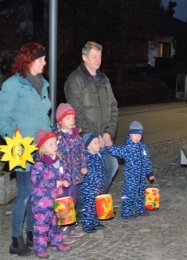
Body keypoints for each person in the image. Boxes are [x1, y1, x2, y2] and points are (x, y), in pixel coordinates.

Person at [0, 42, 51, 256]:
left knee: (38, 193)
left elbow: (44, 117)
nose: (44, 62)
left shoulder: (43, 83)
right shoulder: (13, 85)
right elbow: (3, 117)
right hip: (21, 148)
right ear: (30, 60)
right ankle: (15, 240)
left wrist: (51, 140)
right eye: (41, 59)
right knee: (25, 194)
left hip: (41, 147)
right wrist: (13, 136)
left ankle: (32, 233)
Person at [64, 41, 119, 194]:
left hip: (104, 136)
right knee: (88, 174)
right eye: (94, 57)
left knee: (111, 166)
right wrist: (95, 136)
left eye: (99, 56)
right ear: (84, 58)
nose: (98, 60)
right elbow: (76, 111)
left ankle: (97, 200)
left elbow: (113, 106)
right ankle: (86, 205)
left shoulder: (104, 79)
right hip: (85, 137)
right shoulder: (75, 79)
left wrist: (109, 133)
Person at [31, 130, 71, 258]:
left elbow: (66, 172)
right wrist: (55, 183)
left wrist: (66, 180)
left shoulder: (58, 160)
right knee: (42, 226)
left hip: (57, 199)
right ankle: (40, 248)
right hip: (42, 202)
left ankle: (57, 243)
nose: (55, 146)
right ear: (42, 147)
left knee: (56, 223)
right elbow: (37, 181)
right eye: (51, 144)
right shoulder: (39, 164)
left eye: (55, 143)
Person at [104, 121, 154, 220]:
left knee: (140, 193)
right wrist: (109, 146)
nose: (137, 136)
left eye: (139, 134)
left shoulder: (143, 148)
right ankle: (126, 213)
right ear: (130, 134)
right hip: (131, 177)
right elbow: (117, 151)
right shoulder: (128, 148)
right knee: (129, 194)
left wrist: (150, 173)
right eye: (135, 134)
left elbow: (147, 161)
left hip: (141, 178)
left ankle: (139, 209)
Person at [54, 103, 87, 243]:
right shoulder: (57, 138)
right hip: (64, 177)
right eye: (68, 118)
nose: (72, 121)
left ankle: (71, 226)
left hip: (75, 175)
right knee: (64, 203)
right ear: (60, 120)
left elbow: (82, 152)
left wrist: (84, 165)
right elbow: (55, 157)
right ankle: (62, 230)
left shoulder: (76, 137)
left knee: (73, 200)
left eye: (73, 118)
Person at [80, 133, 107, 233]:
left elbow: (103, 156)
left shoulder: (98, 155)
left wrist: (103, 146)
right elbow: (89, 174)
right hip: (89, 188)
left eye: (98, 142)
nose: (98, 145)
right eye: (95, 143)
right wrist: (96, 182)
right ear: (88, 146)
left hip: (98, 186)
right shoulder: (87, 158)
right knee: (89, 207)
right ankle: (87, 225)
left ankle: (95, 222)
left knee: (96, 205)